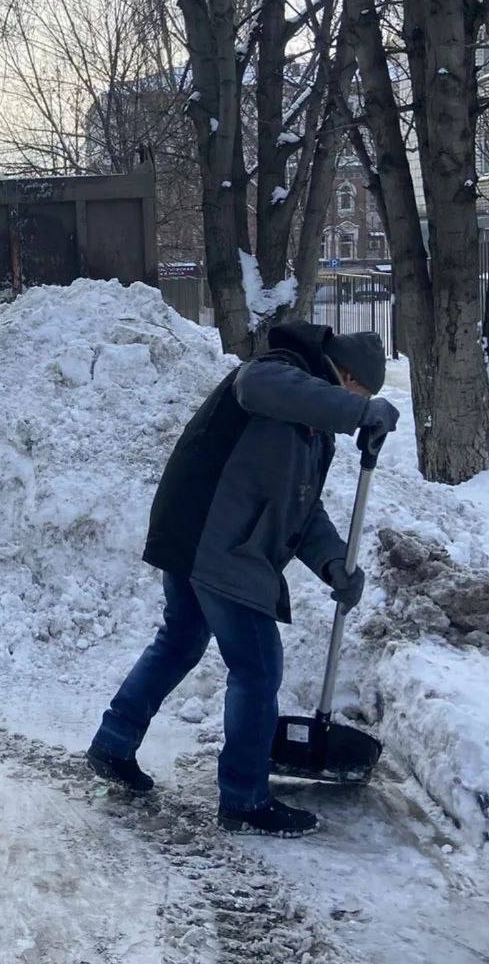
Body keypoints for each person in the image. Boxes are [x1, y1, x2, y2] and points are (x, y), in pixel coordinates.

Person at [86, 323, 399, 837]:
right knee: (256, 667)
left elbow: (303, 507)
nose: (358, 407)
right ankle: (244, 798)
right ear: (344, 377)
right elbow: (255, 385)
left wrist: (333, 563)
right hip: (216, 540)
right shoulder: (279, 373)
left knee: (180, 641)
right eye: (360, 394)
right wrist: (354, 412)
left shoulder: (311, 434)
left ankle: (113, 744)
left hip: (205, 536)